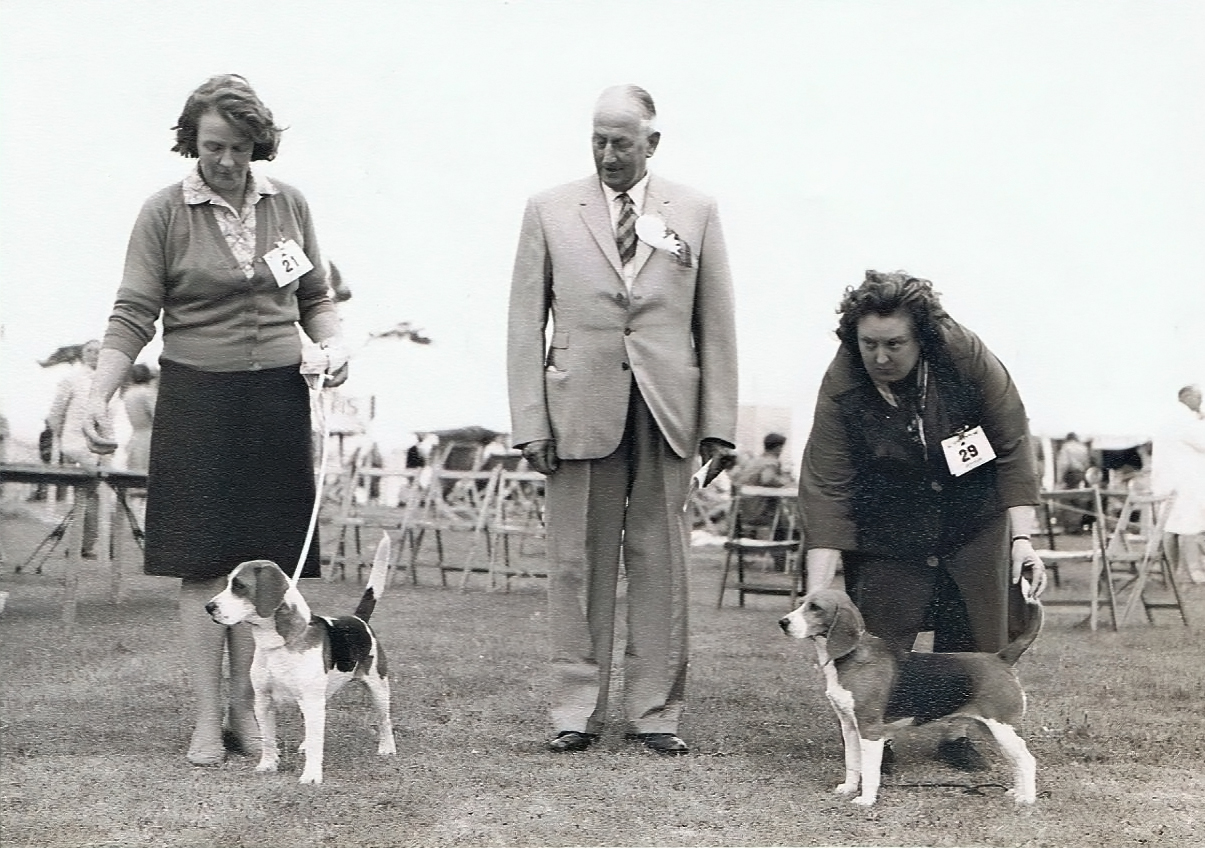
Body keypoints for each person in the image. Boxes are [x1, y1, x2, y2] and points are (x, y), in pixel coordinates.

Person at [81, 74, 347, 766]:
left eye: (240, 147)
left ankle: (245, 710)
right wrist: (99, 395)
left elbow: (316, 294)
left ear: (260, 143)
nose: (226, 161)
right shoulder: (164, 213)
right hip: (199, 396)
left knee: (263, 572)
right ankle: (206, 719)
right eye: (213, 146)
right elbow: (133, 312)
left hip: (278, 400)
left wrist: (334, 343)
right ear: (189, 142)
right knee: (202, 564)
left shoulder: (290, 205)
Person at [507, 85, 738, 755]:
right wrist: (530, 419)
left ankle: (655, 713)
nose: (608, 155)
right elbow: (526, 321)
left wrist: (718, 420)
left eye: (622, 143)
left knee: (660, 560)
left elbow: (715, 322)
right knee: (576, 560)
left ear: (652, 144)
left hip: (669, 409)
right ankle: (574, 710)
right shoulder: (547, 210)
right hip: (577, 407)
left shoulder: (695, 212)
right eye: (597, 142)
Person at [799, 270, 1046, 770]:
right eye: (869, 344)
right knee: (880, 628)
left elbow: (1013, 443)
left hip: (972, 515)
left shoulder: (967, 358)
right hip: (890, 522)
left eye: (895, 343)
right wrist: (817, 597)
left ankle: (961, 731)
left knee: (972, 624)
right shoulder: (842, 381)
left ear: (923, 338)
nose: (881, 357)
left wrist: (1022, 538)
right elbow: (826, 486)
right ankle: (878, 736)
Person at [47, 340, 104, 558]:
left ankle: (85, 545)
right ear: (82, 355)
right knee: (84, 493)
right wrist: (64, 439)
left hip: (96, 446)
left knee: (91, 494)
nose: (94, 355)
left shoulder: (106, 382)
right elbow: (56, 413)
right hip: (73, 444)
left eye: (99, 351)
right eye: (90, 351)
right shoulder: (72, 379)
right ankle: (81, 544)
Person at [1151, 384, 1205, 584]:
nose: (1201, 401)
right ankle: (1195, 571)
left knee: (1171, 527)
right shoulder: (1185, 419)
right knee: (1188, 526)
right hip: (1185, 482)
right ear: (1187, 397)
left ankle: (1171, 572)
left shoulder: (1170, 418)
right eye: (1198, 397)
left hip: (1169, 481)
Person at [731, 432, 797, 568]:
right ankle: (782, 561)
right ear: (778, 448)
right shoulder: (770, 461)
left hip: (740, 511)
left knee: (783, 519)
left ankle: (782, 558)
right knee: (787, 523)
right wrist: (785, 482)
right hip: (757, 511)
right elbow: (767, 479)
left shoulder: (756, 460)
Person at [120, 364, 157, 474]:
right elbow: (155, 413)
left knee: (136, 469)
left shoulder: (128, 393)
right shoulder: (147, 392)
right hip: (149, 435)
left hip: (136, 435)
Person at [1054, 432, 1093, 534]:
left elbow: (1064, 463)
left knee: (1067, 499)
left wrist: (1060, 479)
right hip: (1081, 473)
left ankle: (1070, 526)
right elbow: (1087, 462)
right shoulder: (1083, 447)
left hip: (1070, 473)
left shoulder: (1066, 447)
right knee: (1079, 500)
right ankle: (1077, 524)